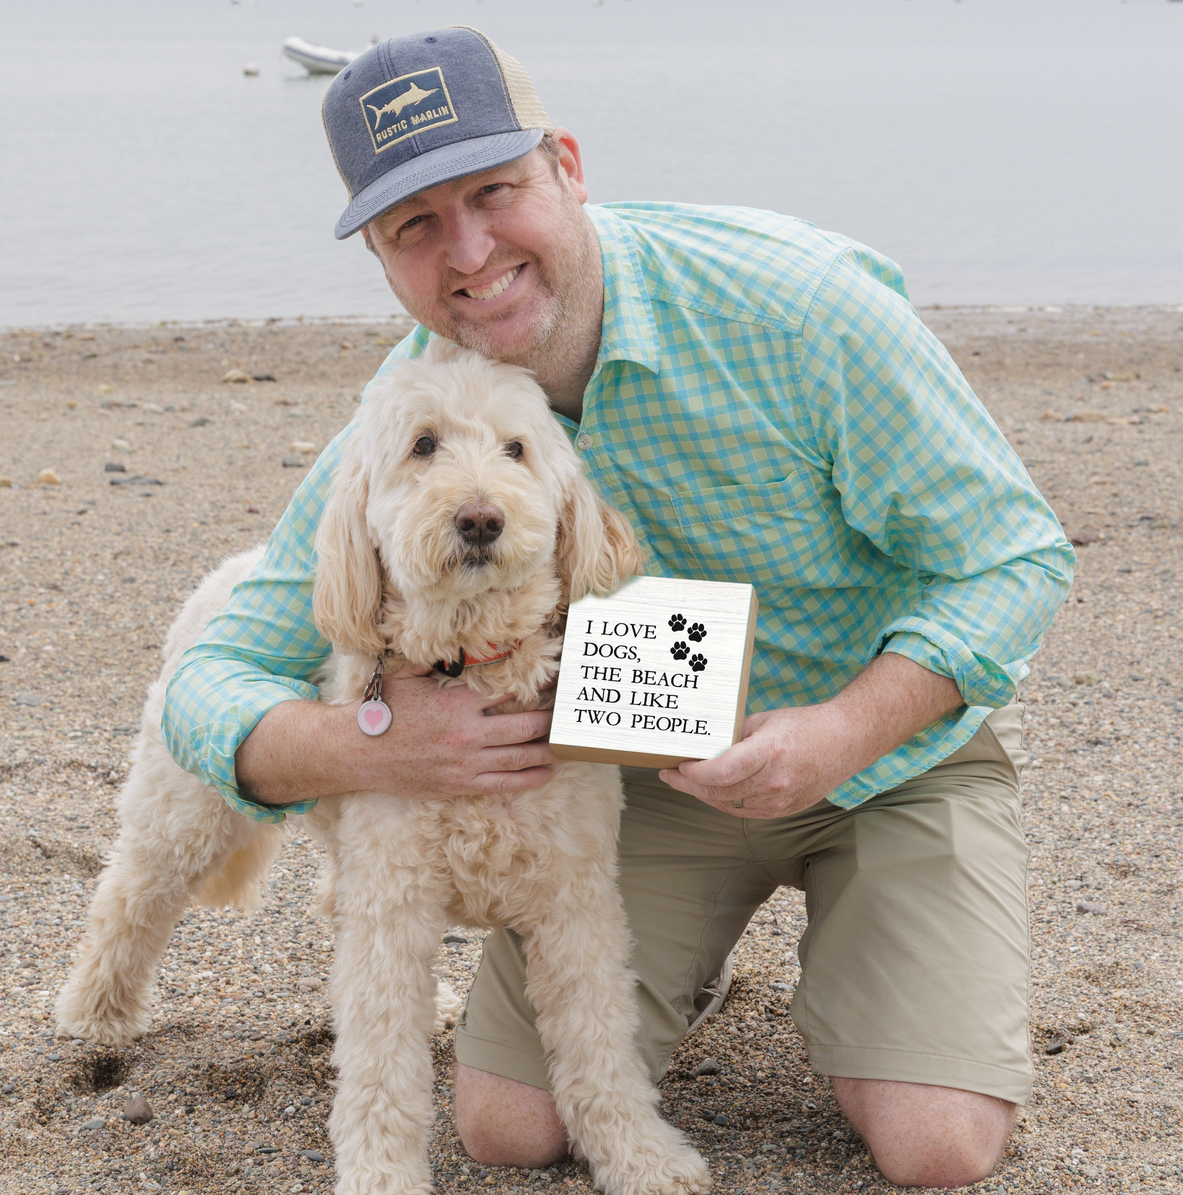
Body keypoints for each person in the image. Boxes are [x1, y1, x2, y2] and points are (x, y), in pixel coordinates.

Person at [163, 27, 1073, 1189]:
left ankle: (863, 967)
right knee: (507, 1127)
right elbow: (213, 675)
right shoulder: (402, 425)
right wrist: (377, 743)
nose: (472, 252)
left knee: (935, 1146)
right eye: (417, 226)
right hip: (641, 777)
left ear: (569, 168)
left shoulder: (798, 314)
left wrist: (846, 730)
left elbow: (1017, 555)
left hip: (891, 754)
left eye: (495, 192)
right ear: (385, 259)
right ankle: (691, 959)